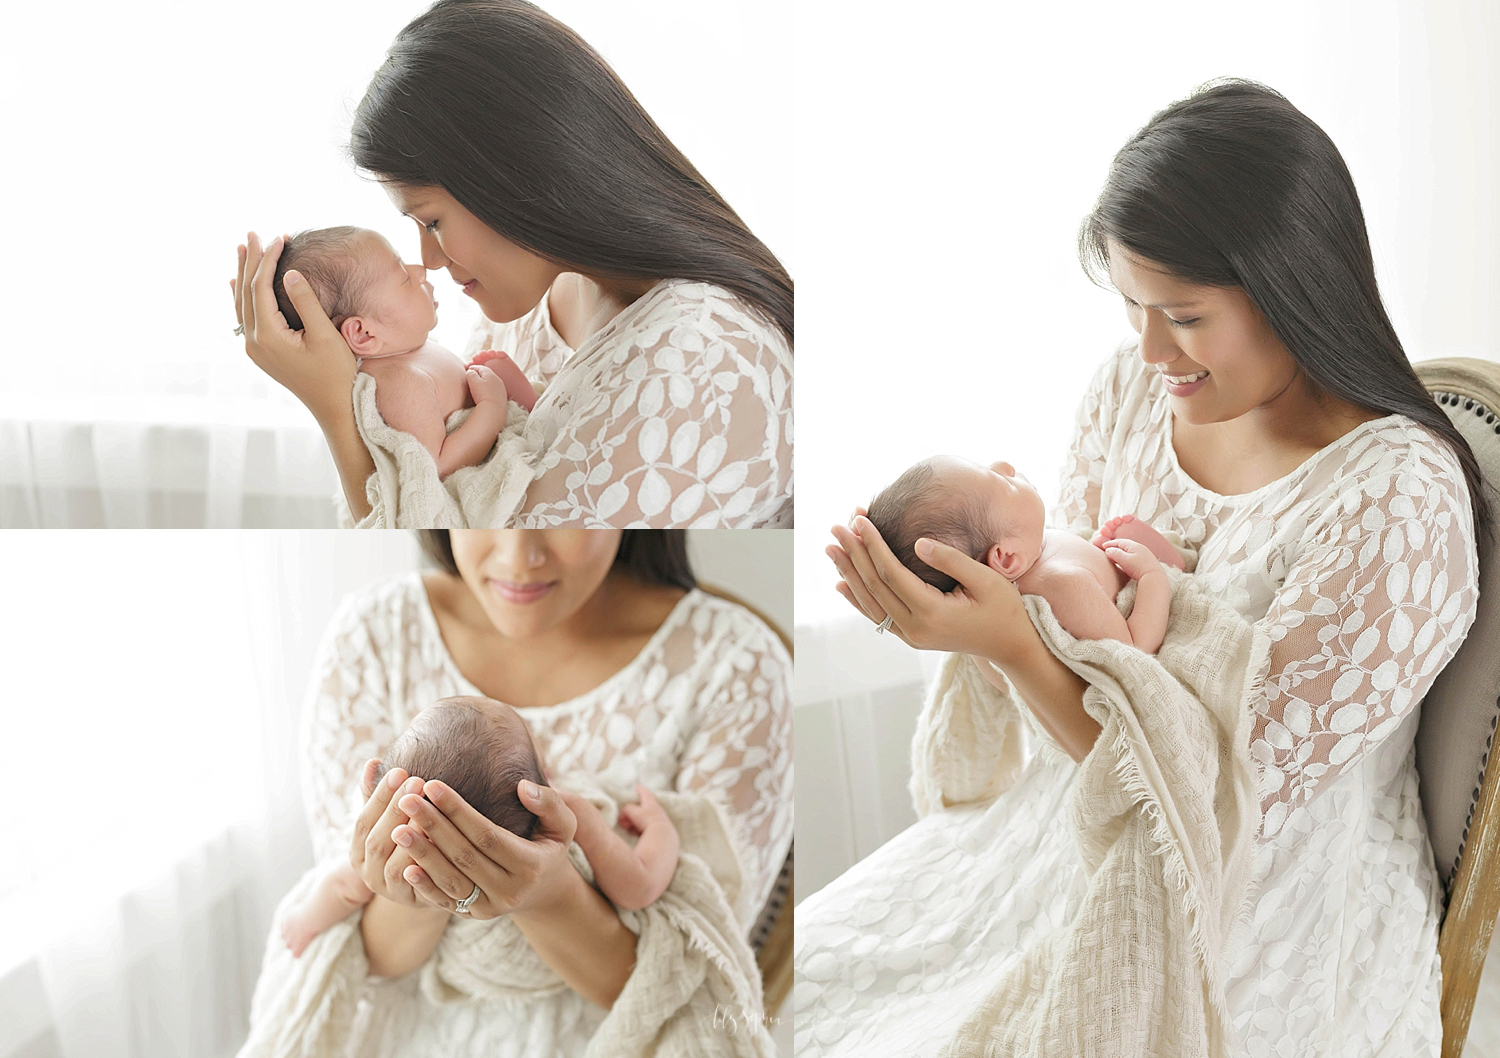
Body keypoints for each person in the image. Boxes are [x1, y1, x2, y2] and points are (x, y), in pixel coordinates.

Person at [804, 79, 1485, 1056]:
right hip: (1061, 831)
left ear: (1295, 285)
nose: (1150, 347)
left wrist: (1003, 642)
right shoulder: (1130, 390)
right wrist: (1000, 618)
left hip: (1262, 905)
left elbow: (1211, 806)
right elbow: (1084, 647)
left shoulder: (1397, 504)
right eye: (1131, 305)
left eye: (1185, 314)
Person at [231, 0, 793, 528]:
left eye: (431, 221)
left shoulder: (700, 360)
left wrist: (334, 410)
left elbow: (436, 547)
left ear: (515, 175)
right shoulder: (526, 307)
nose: (428, 260)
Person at [248, 529, 792, 1054]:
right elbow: (642, 886)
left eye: (560, 517)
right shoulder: (373, 636)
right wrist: (660, 834)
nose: (518, 557)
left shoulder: (735, 664)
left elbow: (697, 975)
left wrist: (551, 896)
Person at [279, 695, 681, 959]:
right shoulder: (571, 811)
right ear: (539, 786)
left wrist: (303, 923)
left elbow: (341, 888)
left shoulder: (395, 845)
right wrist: (660, 825)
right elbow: (638, 887)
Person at [271, 227, 539, 480]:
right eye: (404, 277)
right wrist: (491, 408)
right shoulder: (400, 382)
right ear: (364, 334)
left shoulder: (406, 349)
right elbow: (436, 465)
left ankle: (534, 411)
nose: (421, 270)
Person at [867, 455, 1186, 653]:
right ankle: (1172, 567)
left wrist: (1093, 550)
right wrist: (1151, 577)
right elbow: (1133, 650)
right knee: (1164, 569)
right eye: (1000, 481)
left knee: (1113, 541)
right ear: (1005, 559)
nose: (1005, 465)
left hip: (1098, 571)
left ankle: (1108, 562)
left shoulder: (1027, 555)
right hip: (1137, 612)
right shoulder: (1063, 584)